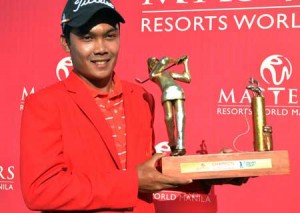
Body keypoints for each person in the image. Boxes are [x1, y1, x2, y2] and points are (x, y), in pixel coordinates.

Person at [20, 1, 193, 212]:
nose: (101, 49)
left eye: (110, 36)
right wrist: (132, 182)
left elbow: (150, 172)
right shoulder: (44, 104)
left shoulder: (141, 97)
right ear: (66, 43)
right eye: (87, 37)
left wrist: (210, 173)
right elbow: (41, 190)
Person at [147, 55, 191, 156]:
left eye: (155, 61)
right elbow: (165, 60)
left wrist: (185, 64)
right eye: (152, 62)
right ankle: (172, 142)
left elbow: (187, 78)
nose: (154, 63)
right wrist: (176, 60)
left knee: (180, 116)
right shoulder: (153, 74)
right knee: (169, 118)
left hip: (178, 91)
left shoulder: (168, 73)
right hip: (166, 94)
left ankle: (181, 145)